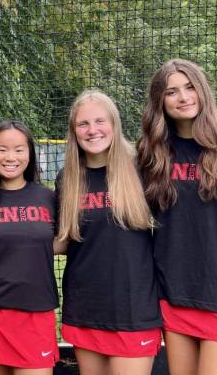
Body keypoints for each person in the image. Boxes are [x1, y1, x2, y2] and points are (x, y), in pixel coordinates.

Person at [137, 59, 217, 375]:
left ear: (202, 91)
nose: (183, 97)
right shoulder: (152, 153)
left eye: (189, 87)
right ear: (160, 101)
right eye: (172, 91)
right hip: (173, 296)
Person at [58, 90, 161, 375]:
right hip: (85, 309)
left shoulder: (143, 169)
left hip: (134, 310)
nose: (92, 130)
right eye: (83, 124)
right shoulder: (67, 179)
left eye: (100, 121)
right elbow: (61, 240)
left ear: (114, 124)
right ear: (73, 131)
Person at [0, 120, 60, 375]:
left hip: (36, 313)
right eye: (2, 149)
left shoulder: (48, 198)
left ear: (30, 153)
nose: (10, 157)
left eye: (19, 149)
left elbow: (64, 241)